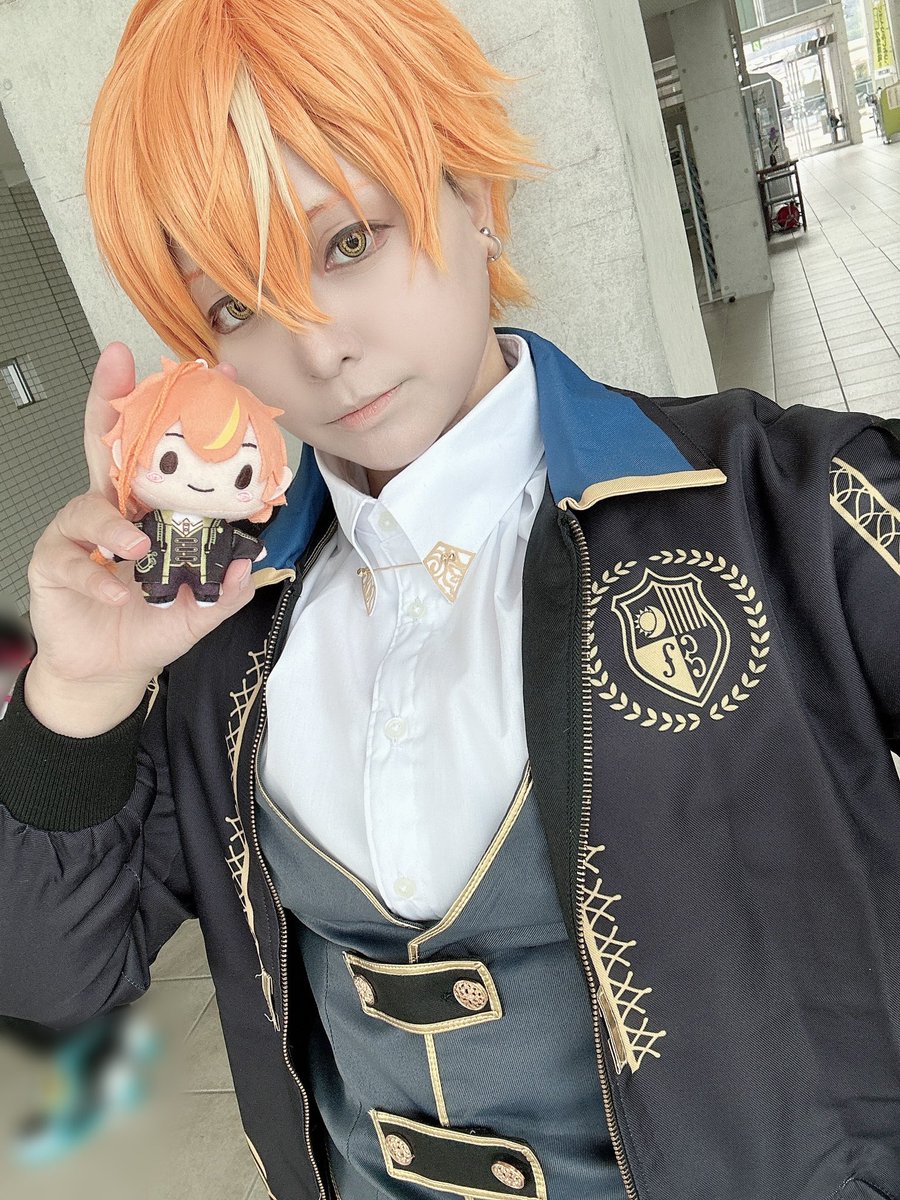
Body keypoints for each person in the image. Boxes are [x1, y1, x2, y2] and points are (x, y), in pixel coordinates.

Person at [0, 2, 898, 1198]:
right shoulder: (226, 635)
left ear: (473, 195)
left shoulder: (780, 504)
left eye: (348, 242)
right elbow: (51, 980)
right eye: (236, 307)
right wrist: (82, 686)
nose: (318, 348)